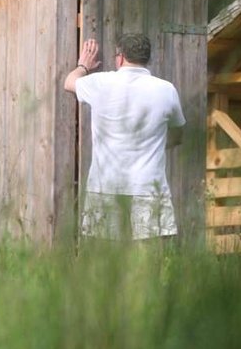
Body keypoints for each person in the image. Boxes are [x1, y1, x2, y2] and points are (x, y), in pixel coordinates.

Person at [63, 34, 185, 241]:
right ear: (148, 59)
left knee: (103, 257)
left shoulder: (100, 82)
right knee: (148, 259)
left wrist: (83, 65)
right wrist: (150, 145)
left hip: (105, 186)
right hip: (149, 187)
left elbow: (69, 82)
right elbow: (178, 135)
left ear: (120, 58)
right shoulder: (167, 90)